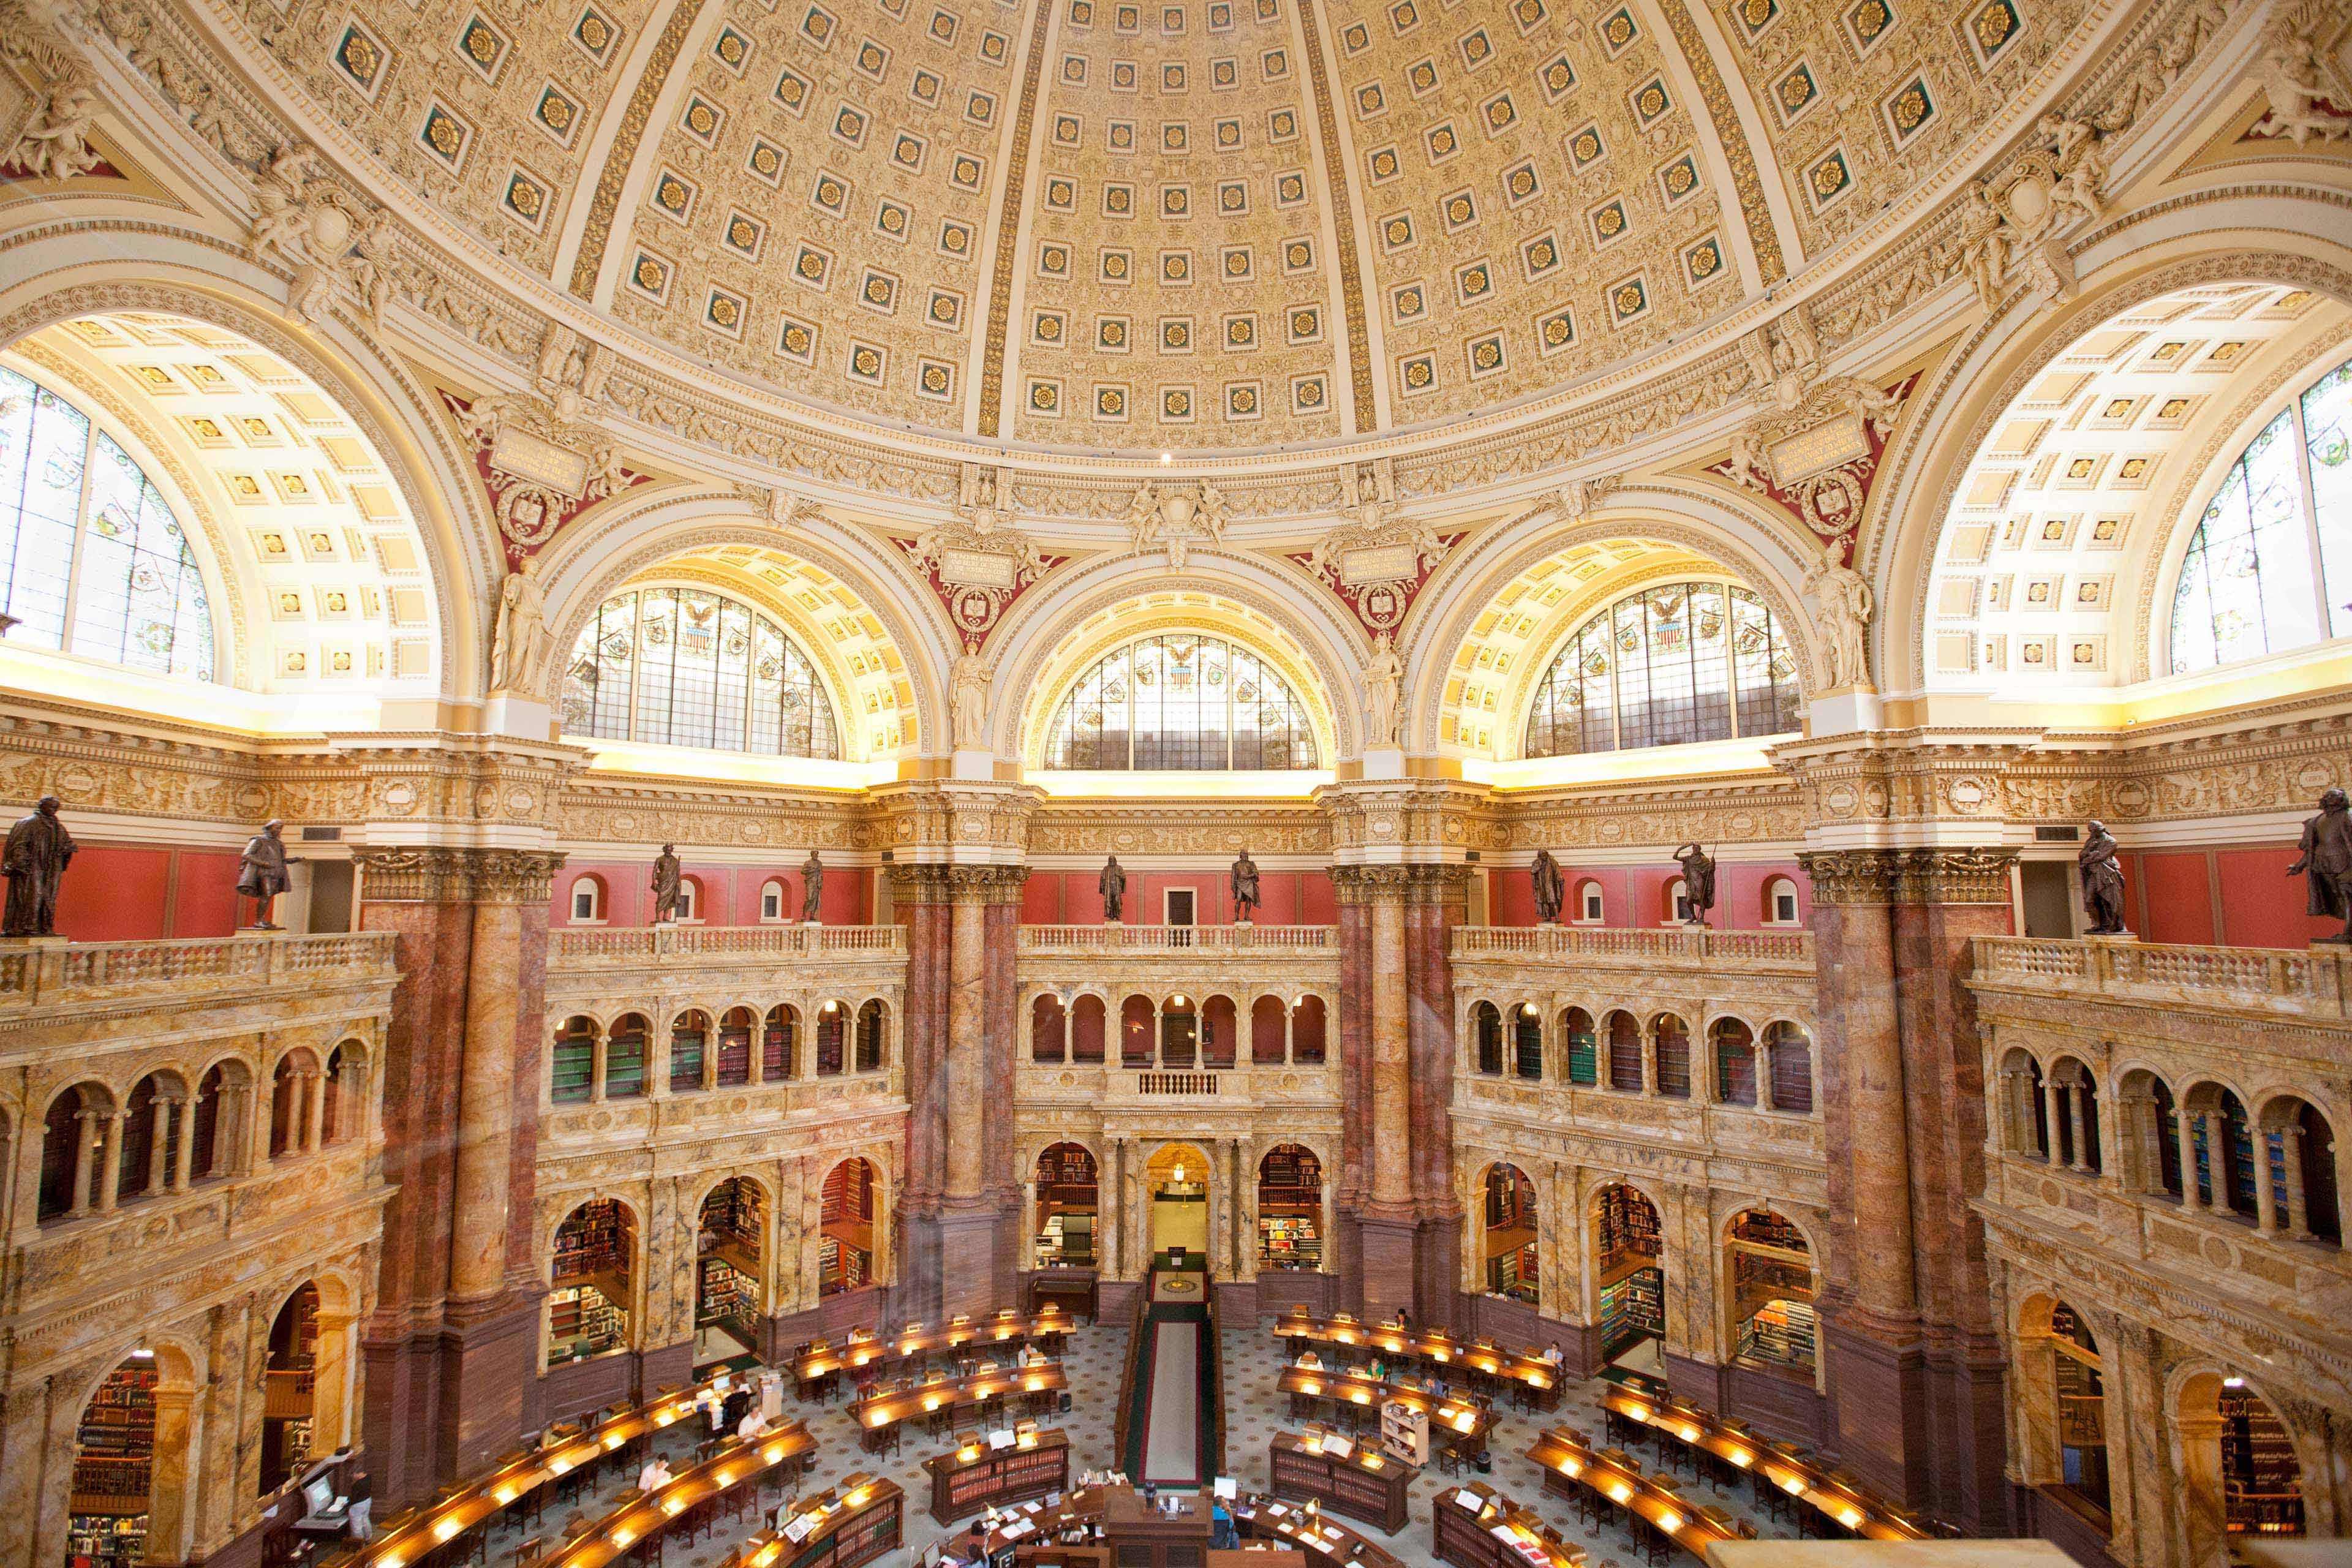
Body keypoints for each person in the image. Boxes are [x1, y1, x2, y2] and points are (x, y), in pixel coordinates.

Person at [346, 1471, 373, 1541]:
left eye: (354, 1475)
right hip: (367, 1500)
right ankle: (368, 1538)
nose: (354, 1476)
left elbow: (354, 1498)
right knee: (365, 1520)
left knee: (356, 1526)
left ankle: (359, 1543)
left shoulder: (357, 1484)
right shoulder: (368, 1477)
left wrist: (346, 1504)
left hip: (358, 1505)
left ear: (360, 1473)